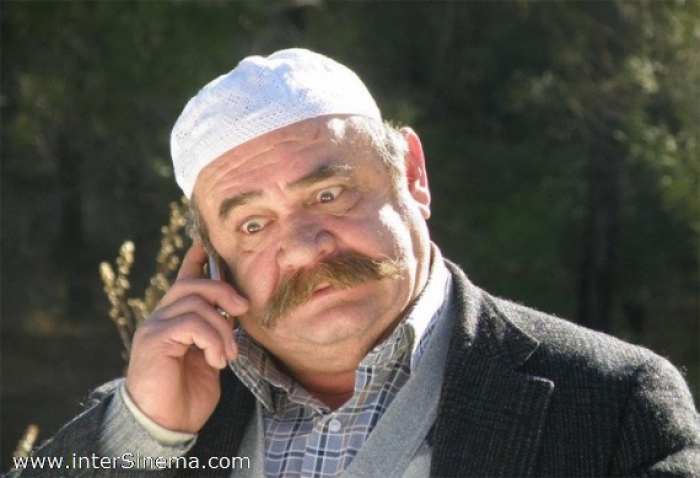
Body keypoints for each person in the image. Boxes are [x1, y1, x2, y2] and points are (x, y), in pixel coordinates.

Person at [10, 49, 699, 477]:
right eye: (253, 225)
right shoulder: (159, 422)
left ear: (413, 174)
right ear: (212, 262)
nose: (304, 247)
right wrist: (142, 435)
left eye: (329, 194)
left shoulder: (611, 407)